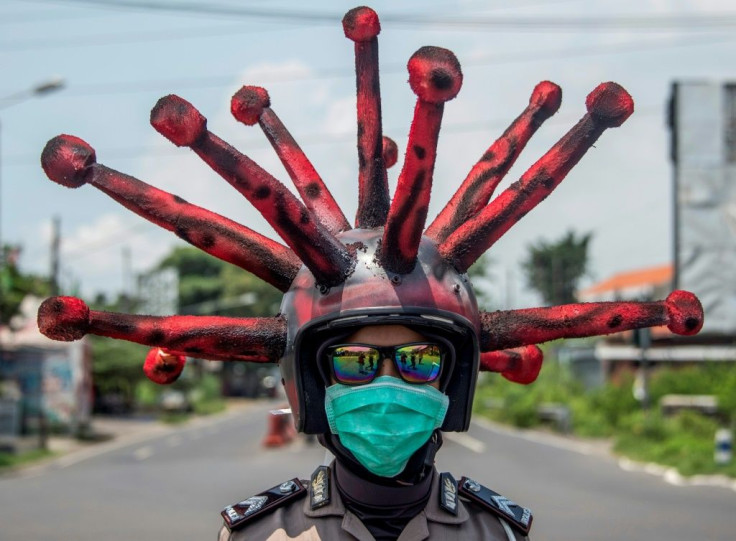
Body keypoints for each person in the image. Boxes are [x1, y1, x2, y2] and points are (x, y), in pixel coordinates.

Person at [35, 5, 705, 541]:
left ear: (456, 375)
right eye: (355, 364)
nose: (387, 388)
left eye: (416, 361)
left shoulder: (496, 532)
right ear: (311, 379)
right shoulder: (259, 533)